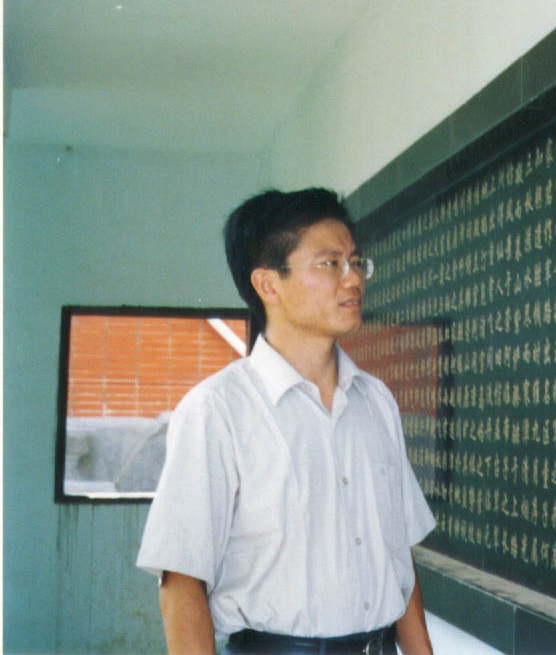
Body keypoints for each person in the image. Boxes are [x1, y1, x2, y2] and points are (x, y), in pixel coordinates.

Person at [137, 188, 436, 655]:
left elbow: (398, 558)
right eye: (330, 264)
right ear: (268, 285)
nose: (353, 278)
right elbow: (181, 583)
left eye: (356, 262)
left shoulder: (375, 401)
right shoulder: (218, 410)